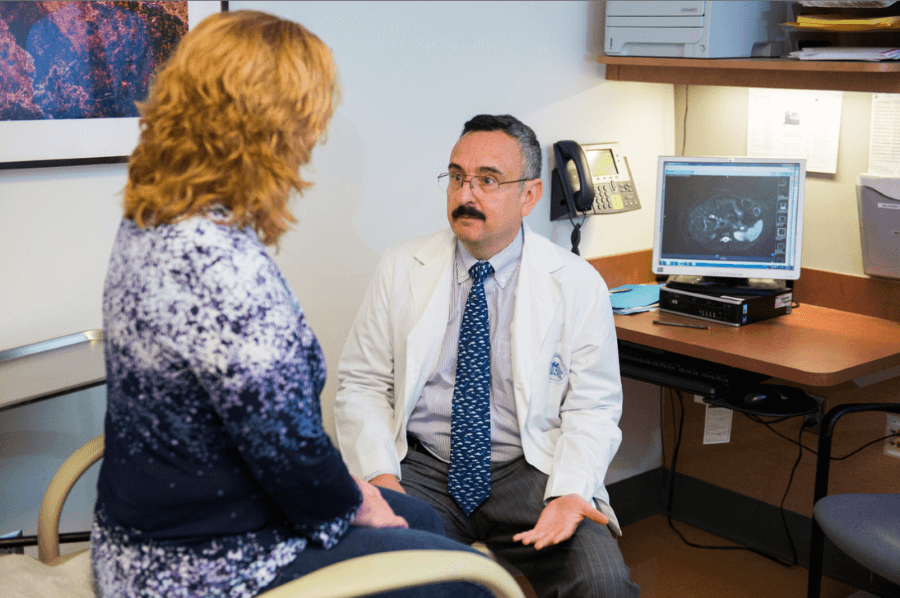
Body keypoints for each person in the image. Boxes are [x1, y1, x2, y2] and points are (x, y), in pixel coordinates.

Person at [91, 11, 491, 598]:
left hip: (141, 535)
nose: (311, 141)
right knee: (470, 581)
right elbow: (290, 452)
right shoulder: (223, 266)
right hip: (203, 566)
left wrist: (354, 493)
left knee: (425, 521)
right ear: (271, 129)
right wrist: (357, 502)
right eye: (308, 123)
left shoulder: (152, 223)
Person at [335, 114, 640, 598]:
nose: (465, 195)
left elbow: (593, 407)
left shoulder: (577, 282)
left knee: (603, 582)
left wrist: (570, 491)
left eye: (488, 181)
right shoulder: (401, 267)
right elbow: (363, 385)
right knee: (396, 586)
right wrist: (382, 477)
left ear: (530, 196)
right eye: (457, 177)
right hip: (423, 467)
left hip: (531, 469)